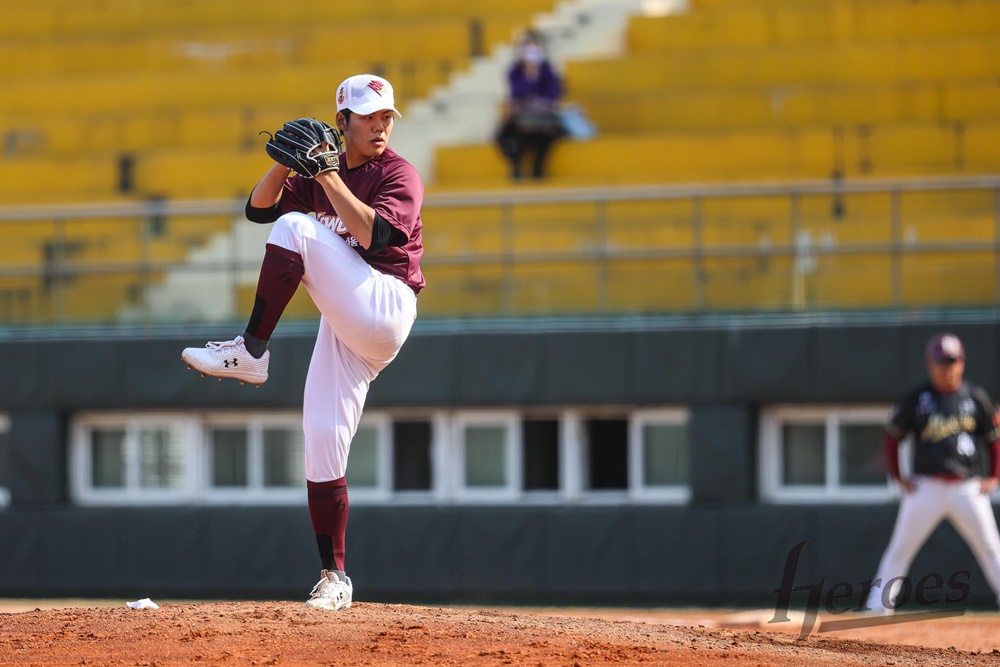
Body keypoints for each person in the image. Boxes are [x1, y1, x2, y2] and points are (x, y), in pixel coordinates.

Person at [181, 74, 424, 611]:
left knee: (298, 231)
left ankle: (251, 350)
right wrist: (285, 161)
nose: (380, 125)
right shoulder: (316, 174)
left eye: (386, 116)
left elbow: (377, 237)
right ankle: (335, 577)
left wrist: (328, 176)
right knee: (320, 440)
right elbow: (258, 210)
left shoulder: (398, 173)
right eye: (368, 116)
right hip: (344, 323)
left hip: (384, 304)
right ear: (342, 121)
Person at [864, 333, 1000, 613]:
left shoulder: (976, 397)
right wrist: (897, 475)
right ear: (930, 364)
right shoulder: (918, 398)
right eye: (942, 361)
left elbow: (993, 438)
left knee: (991, 547)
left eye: (953, 361)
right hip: (925, 487)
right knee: (900, 548)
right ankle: (878, 606)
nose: (948, 367)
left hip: (967, 487)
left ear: (962, 362)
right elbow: (892, 436)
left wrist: (995, 475)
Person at [495, 31, 564, 181]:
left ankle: (538, 169)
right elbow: (517, 93)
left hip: (543, 117)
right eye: (528, 50)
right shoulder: (515, 71)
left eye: (535, 49)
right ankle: (516, 168)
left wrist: (537, 75)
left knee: (548, 135)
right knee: (509, 135)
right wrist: (530, 75)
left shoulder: (547, 69)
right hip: (522, 117)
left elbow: (554, 92)